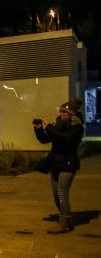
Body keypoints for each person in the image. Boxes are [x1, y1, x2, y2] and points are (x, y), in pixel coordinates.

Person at [33, 99, 85, 233]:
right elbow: (45, 140)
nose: (61, 114)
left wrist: (49, 127)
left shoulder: (77, 127)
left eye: (64, 112)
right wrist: (38, 130)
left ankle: (63, 223)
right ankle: (66, 218)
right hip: (54, 164)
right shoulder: (58, 125)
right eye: (61, 111)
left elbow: (66, 139)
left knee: (62, 193)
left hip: (68, 164)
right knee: (56, 194)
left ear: (72, 114)